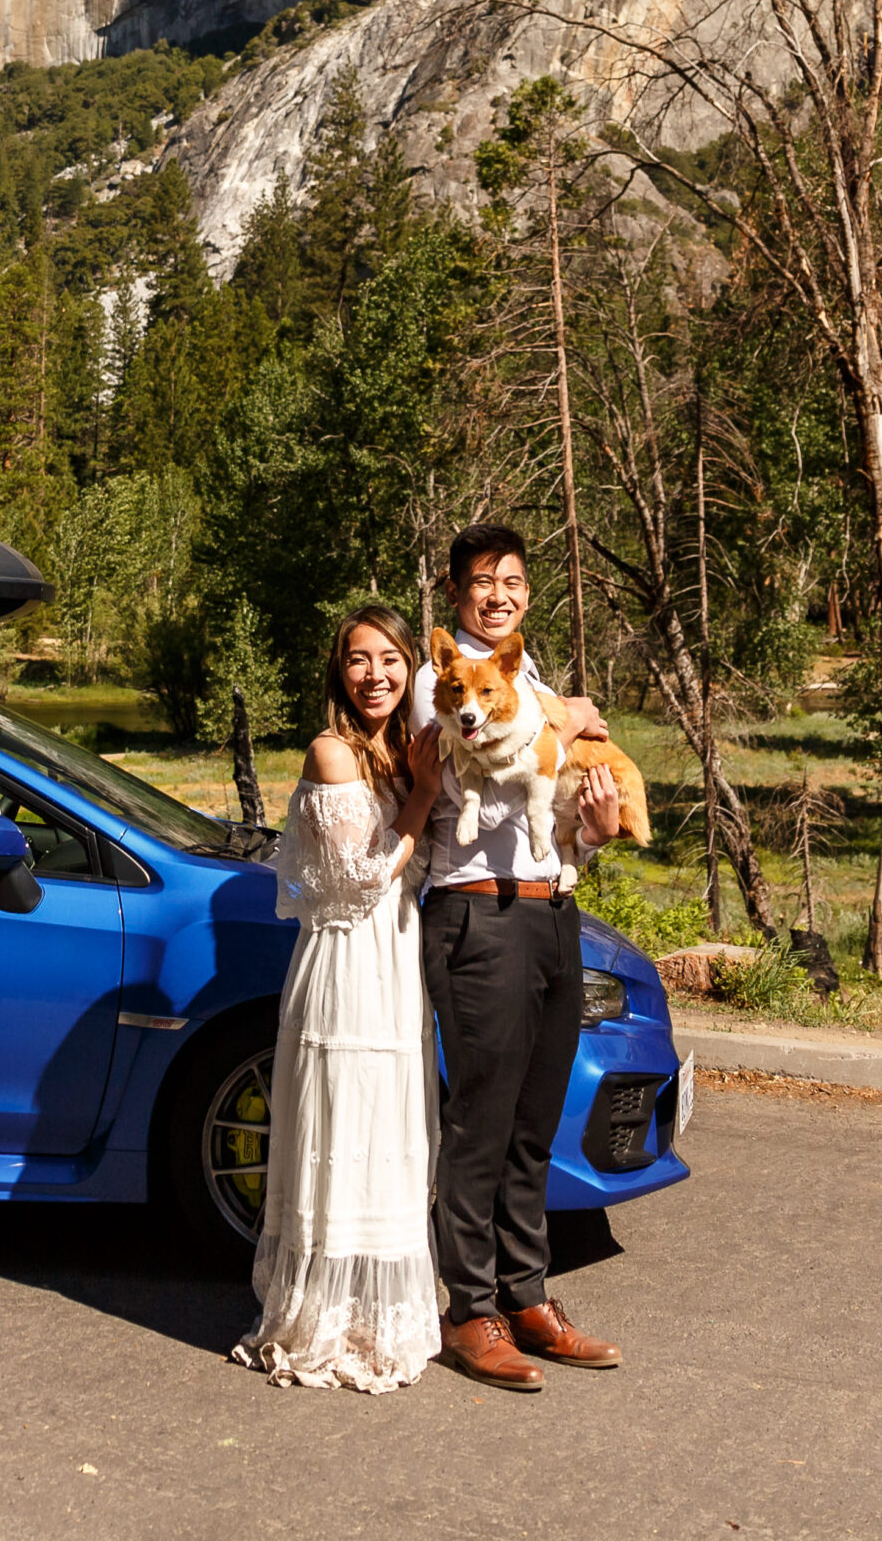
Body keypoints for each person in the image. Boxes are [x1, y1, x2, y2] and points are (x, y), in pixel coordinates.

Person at [412, 522, 624, 1391]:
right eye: (480, 582)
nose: (498, 595)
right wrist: (570, 716)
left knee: (534, 1119)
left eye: (512, 582)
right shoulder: (445, 679)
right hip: (475, 911)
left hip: (550, 907)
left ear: (527, 595)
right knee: (481, 1119)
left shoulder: (523, 677)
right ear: (455, 593)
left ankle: (525, 1294)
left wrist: (597, 831)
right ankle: (469, 1312)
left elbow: (551, 808)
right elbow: (492, 775)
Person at [234, 605, 445, 1392]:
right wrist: (420, 798)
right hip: (348, 958)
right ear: (338, 672)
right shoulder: (332, 752)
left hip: (395, 959)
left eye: (389, 658)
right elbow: (359, 878)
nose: (374, 675)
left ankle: (380, 1311)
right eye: (358, 660)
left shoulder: (403, 746)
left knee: (388, 1125)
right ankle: (323, 1314)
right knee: (345, 1119)